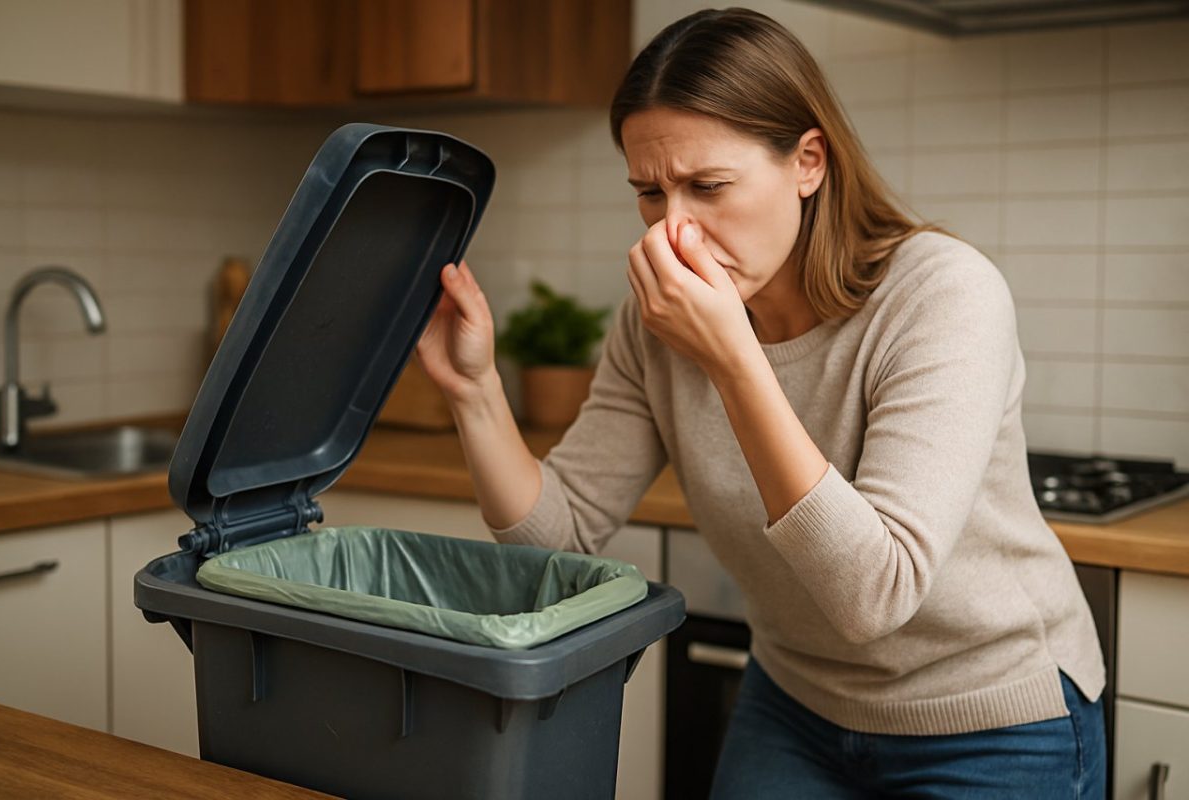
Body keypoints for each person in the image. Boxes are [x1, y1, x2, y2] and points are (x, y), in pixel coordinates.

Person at [416, 7, 1106, 799]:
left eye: (708, 186)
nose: (675, 229)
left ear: (808, 162)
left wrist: (733, 359)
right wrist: (475, 390)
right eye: (649, 192)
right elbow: (560, 534)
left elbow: (875, 594)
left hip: (991, 719)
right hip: (796, 701)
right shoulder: (657, 326)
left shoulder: (942, 294)